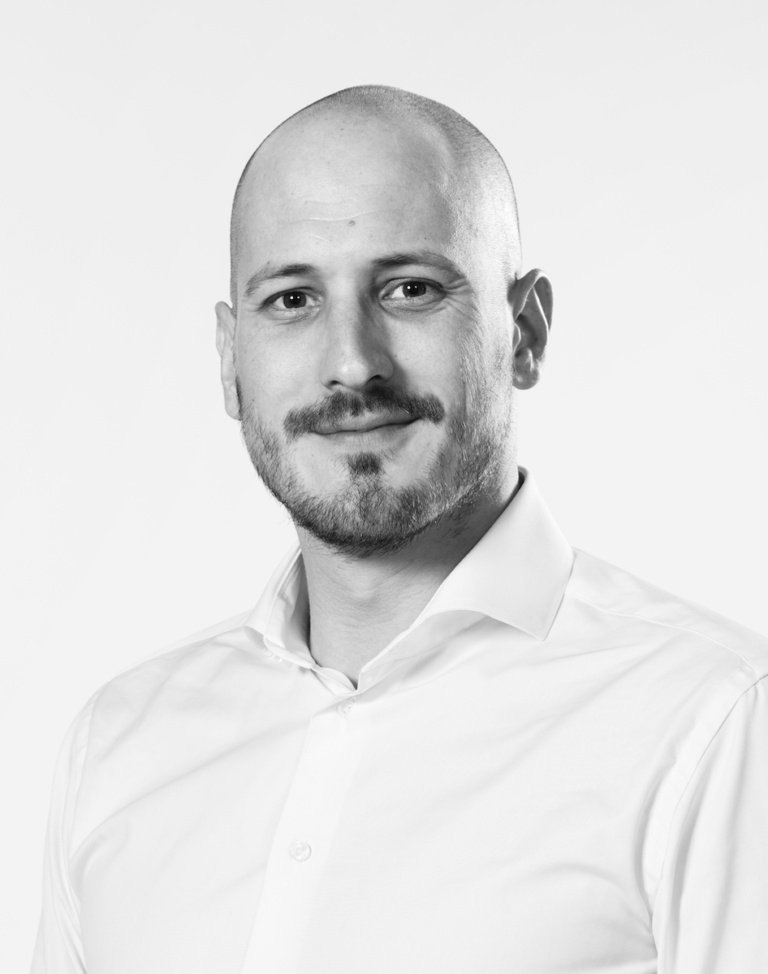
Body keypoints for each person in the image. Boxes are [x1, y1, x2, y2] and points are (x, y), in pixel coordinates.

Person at [32, 85, 768, 973]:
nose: (352, 363)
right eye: (292, 300)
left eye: (410, 289)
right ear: (230, 362)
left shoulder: (716, 723)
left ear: (524, 333)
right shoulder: (121, 744)